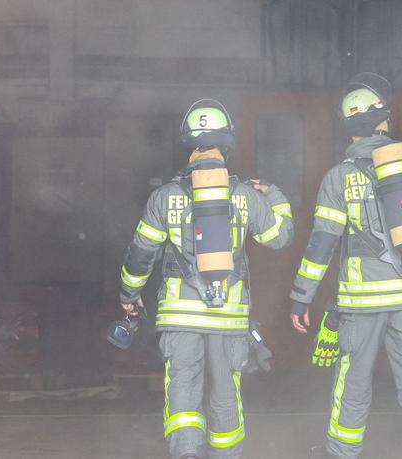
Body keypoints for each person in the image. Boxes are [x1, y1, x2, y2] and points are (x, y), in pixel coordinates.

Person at [289, 73, 402, 459]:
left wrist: (302, 299)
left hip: (362, 299)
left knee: (353, 382)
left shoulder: (338, 179)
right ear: (385, 120)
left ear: (348, 129)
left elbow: (322, 245)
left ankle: (340, 453)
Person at [118, 99, 294, 459]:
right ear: (226, 146)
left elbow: (141, 253)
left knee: (182, 391)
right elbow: (280, 236)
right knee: (226, 395)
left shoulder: (165, 197)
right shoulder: (243, 195)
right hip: (229, 317)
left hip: (180, 316)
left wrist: (129, 293)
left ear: (189, 146)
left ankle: (186, 454)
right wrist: (272, 193)